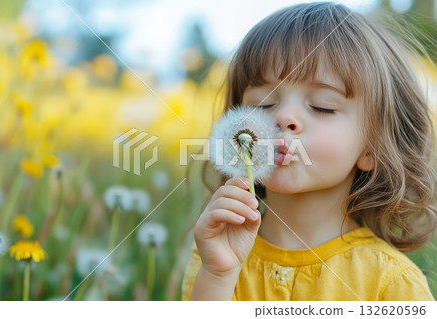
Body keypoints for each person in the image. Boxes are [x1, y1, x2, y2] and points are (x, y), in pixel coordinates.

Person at [182, 2, 436, 301]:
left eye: (321, 107)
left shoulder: (392, 283)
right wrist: (218, 276)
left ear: (374, 149)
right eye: (262, 104)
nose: (283, 117)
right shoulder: (217, 254)